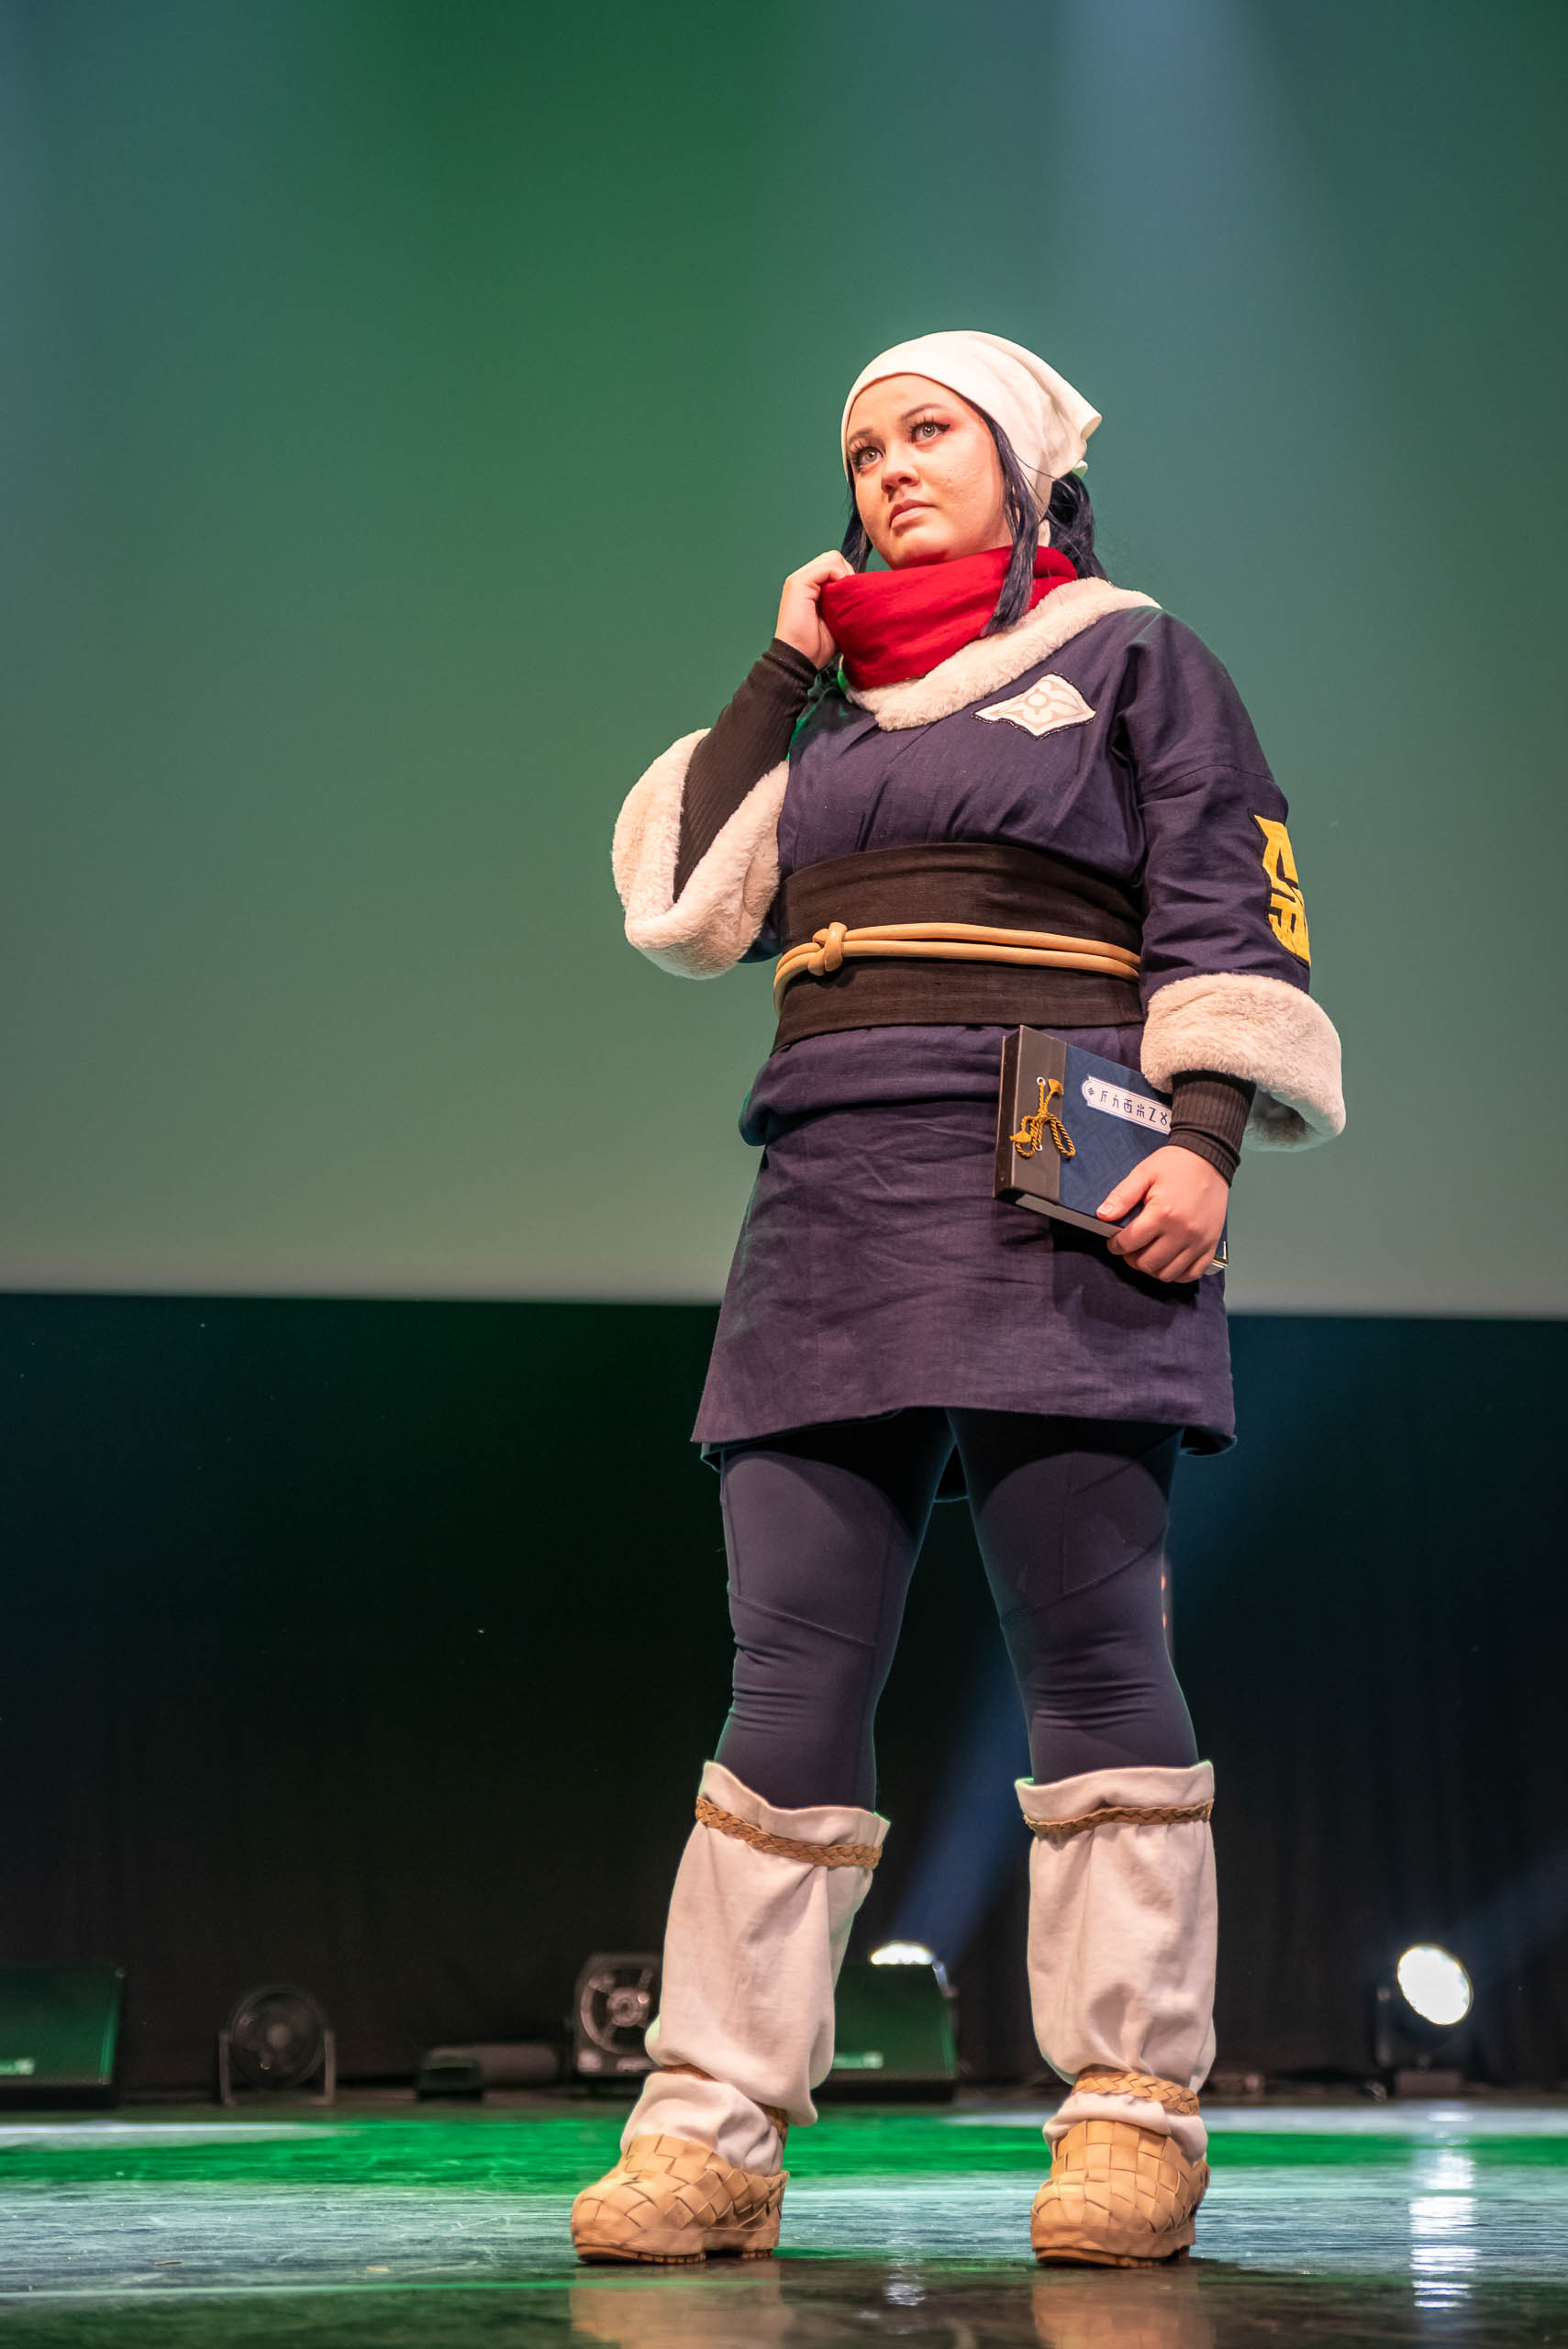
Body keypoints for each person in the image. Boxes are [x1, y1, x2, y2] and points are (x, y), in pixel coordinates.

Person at [571, 330, 1343, 2268]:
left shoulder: (1133, 655)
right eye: (864, 448)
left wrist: (1208, 1138)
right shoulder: (831, 712)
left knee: (1092, 1656)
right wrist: (783, 664)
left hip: (1060, 1181)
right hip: (833, 1190)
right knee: (785, 1673)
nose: (891, 469)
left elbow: (1228, 904)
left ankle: (1131, 2114)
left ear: (1028, 466)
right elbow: (678, 901)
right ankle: (712, 2125)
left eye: (929, 434)